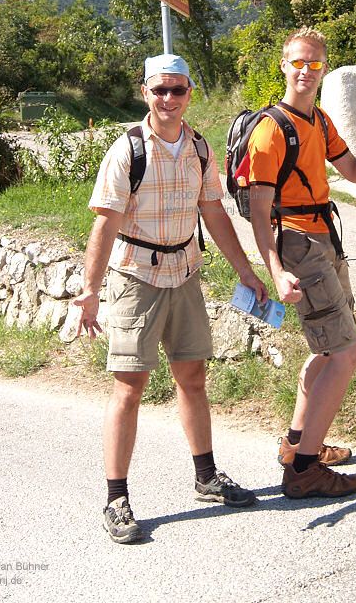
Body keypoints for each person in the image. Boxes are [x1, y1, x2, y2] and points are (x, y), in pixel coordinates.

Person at [73, 53, 267, 544]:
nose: (168, 99)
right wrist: (89, 292)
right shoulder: (127, 151)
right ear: (145, 93)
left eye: (177, 90)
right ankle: (116, 498)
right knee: (129, 389)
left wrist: (246, 270)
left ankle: (206, 477)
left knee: (193, 378)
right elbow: (105, 223)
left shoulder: (199, 147)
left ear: (188, 95)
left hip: (184, 272)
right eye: (160, 90)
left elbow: (215, 214)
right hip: (135, 278)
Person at [248, 26, 356, 499]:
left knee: (328, 349)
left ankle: (298, 444)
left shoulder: (319, 122)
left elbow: (355, 170)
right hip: (299, 244)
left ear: (323, 69)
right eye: (297, 62)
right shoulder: (270, 130)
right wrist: (275, 270)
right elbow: (260, 212)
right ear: (283, 65)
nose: (305, 71)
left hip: (326, 240)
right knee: (346, 353)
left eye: (315, 64)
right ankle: (303, 471)